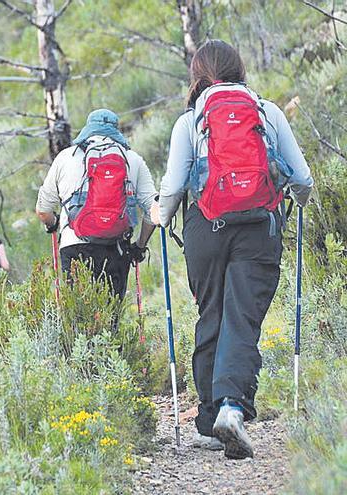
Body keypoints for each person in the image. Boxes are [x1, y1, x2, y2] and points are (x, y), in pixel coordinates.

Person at [154, 40, 314, 459]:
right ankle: (231, 406)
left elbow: (171, 189)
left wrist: (158, 217)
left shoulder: (190, 120)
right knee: (241, 318)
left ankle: (208, 423)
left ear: (197, 75)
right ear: (240, 70)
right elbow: (303, 179)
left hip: (205, 228)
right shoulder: (267, 112)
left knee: (212, 312)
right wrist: (296, 198)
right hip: (259, 227)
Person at [35, 109, 157, 300]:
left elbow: (43, 210)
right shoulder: (133, 159)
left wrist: (53, 224)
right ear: (115, 131)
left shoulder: (66, 157)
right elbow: (153, 209)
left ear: (88, 129)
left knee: (79, 319)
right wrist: (140, 246)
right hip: (116, 248)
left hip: (75, 247)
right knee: (111, 318)